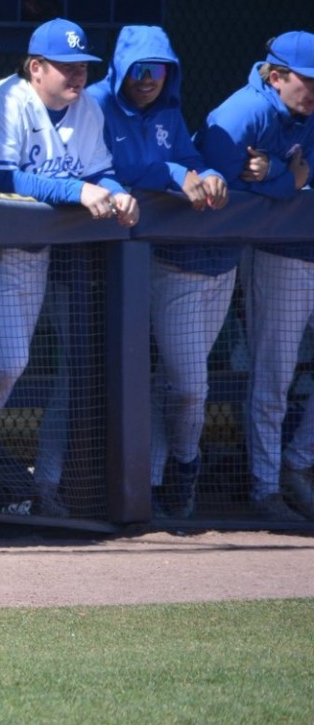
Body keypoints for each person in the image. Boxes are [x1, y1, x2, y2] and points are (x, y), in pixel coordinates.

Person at [0, 18, 138, 517]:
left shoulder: (85, 109)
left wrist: (117, 190)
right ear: (36, 67)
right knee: (6, 360)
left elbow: (98, 168)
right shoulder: (3, 99)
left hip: (35, 254)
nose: (77, 76)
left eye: (83, 66)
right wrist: (76, 192)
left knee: (3, 362)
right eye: (66, 67)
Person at [88, 26, 232, 519]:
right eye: (139, 69)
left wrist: (208, 173)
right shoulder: (97, 102)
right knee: (90, 379)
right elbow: (118, 168)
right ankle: (76, 488)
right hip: (98, 267)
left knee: (174, 380)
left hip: (161, 262)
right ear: (122, 68)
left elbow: (187, 157)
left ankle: (166, 478)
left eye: (158, 68)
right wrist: (175, 175)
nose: (148, 79)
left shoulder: (168, 105)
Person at [199, 31, 314, 522]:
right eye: (307, 82)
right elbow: (218, 182)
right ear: (275, 76)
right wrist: (291, 178)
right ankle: (265, 488)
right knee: (275, 376)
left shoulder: (302, 112)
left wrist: (281, 178)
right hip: (279, 254)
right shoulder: (242, 112)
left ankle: (299, 463)